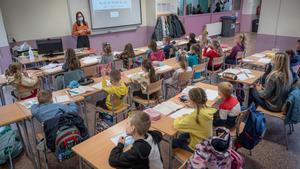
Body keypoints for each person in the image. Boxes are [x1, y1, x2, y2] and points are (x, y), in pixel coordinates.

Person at [173, 88, 216, 152]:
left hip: (198, 147)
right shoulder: (208, 109)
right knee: (182, 135)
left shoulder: (195, 116)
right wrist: (193, 106)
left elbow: (177, 125)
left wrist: (179, 117)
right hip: (206, 141)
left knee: (174, 142)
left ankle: (179, 156)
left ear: (192, 101)